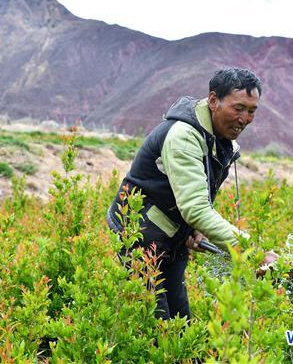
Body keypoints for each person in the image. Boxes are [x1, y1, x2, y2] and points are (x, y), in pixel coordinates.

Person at [106, 67, 277, 321]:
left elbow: (191, 196)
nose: (244, 118)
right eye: (238, 108)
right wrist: (252, 251)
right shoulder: (184, 137)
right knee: (158, 327)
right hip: (139, 237)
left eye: (251, 111)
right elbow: (195, 209)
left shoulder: (218, 139)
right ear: (213, 100)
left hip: (170, 240)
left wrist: (192, 230)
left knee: (180, 323)